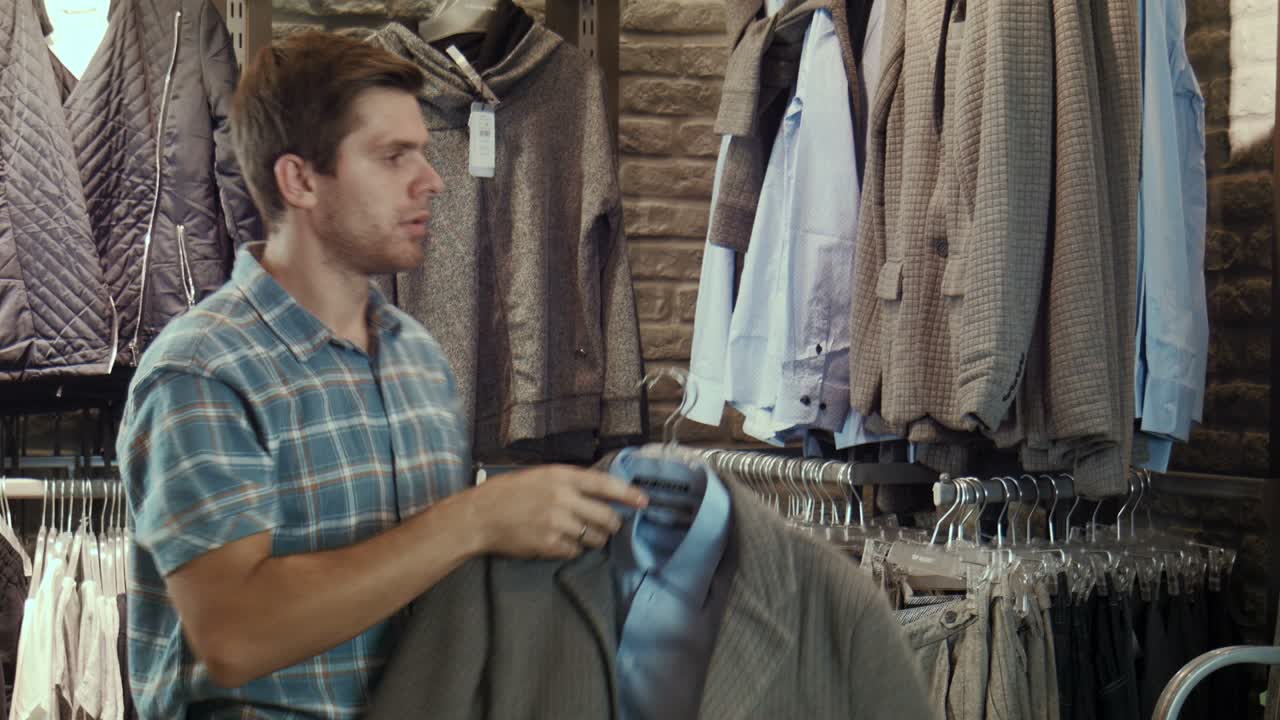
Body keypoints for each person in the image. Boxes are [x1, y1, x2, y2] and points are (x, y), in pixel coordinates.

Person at [116, 31, 648, 719]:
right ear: (300, 180)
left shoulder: (419, 361)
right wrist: (475, 521)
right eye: (394, 156)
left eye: (424, 151)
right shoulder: (204, 373)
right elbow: (235, 633)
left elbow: (429, 603)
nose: (431, 180)